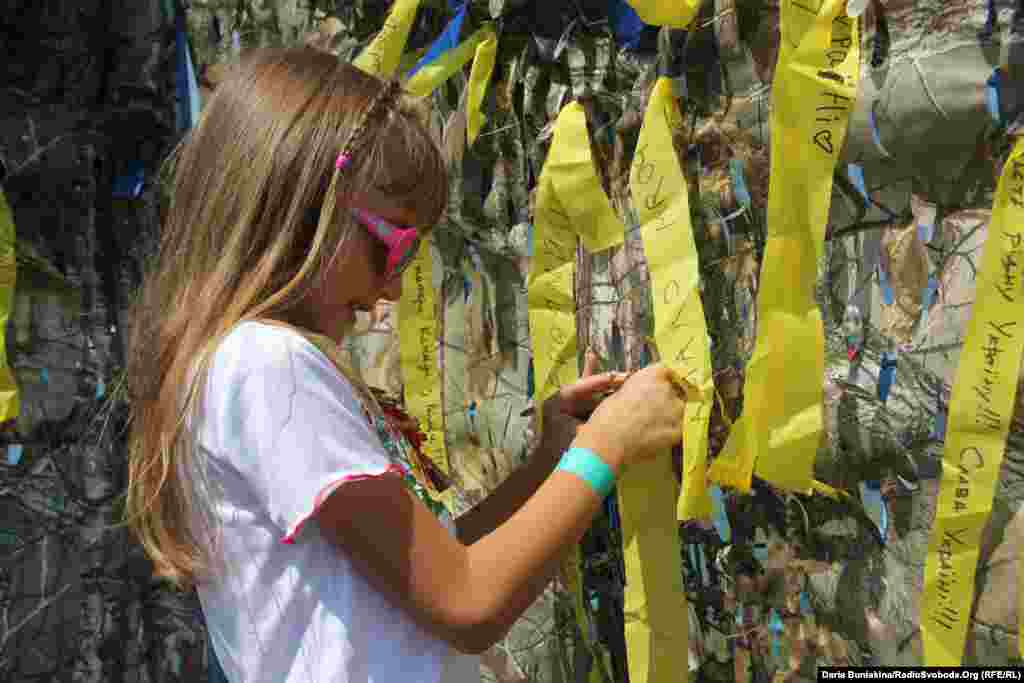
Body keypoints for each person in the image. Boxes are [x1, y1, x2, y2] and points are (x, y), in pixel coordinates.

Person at [123, 47, 687, 683]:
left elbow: (438, 567)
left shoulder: (241, 367)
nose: (391, 288)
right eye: (392, 246)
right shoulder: (265, 366)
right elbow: (468, 603)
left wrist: (553, 463)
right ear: (300, 206)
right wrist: (609, 446)